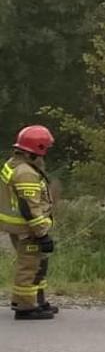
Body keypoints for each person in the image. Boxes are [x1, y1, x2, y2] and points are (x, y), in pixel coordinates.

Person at [1, 126, 57, 320]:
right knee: (29, 266)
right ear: (38, 148)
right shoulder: (26, 173)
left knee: (38, 263)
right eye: (46, 148)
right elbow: (29, 207)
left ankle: (38, 301)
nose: (46, 153)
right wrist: (42, 233)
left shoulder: (14, 164)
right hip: (28, 229)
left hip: (20, 226)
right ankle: (25, 307)